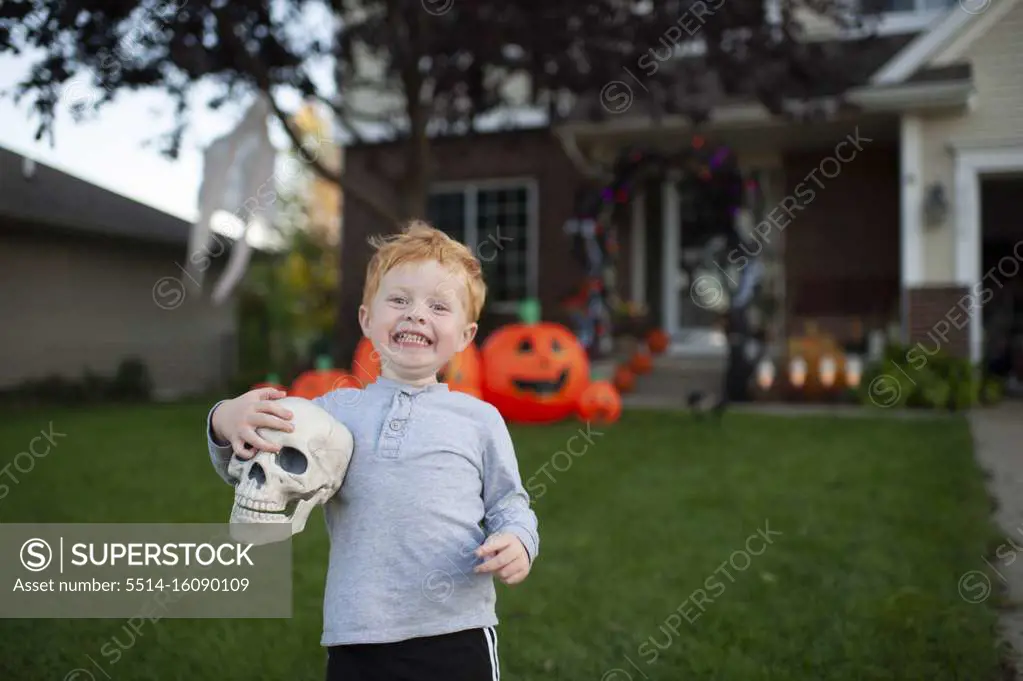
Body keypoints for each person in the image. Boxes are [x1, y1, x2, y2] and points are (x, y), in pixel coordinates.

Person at [205, 221, 540, 681]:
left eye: (438, 306)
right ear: (367, 319)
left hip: (457, 630)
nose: (416, 314)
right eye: (399, 300)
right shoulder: (332, 412)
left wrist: (519, 540)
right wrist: (225, 418)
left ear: (465, 336)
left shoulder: (479, 420)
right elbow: (250, 460)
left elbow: (509, 504)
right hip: (358, 635)